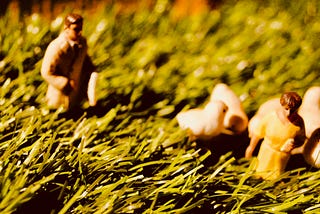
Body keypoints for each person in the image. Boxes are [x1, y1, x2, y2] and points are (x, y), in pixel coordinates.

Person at [41, 13, 98, 110]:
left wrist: (92, 70)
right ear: (66, 28)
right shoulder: (56, 47)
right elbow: (46, 72)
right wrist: (65, 83)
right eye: (76, 29)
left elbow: (84, 58)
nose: (79, 32)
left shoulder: (83, 43)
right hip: (58, 97)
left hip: (76, 96)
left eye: (81, 29)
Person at [245, 92, 306, 180]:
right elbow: (258, 132)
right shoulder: (272, 117)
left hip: (282, 156)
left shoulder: (298, 123)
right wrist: (251, 147)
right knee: (259, 172)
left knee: (275, 177)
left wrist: (294, 144)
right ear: (281, 105)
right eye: (286, 109)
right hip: (267, 151)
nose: (289, 113)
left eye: (293, 110)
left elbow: (301, 139)